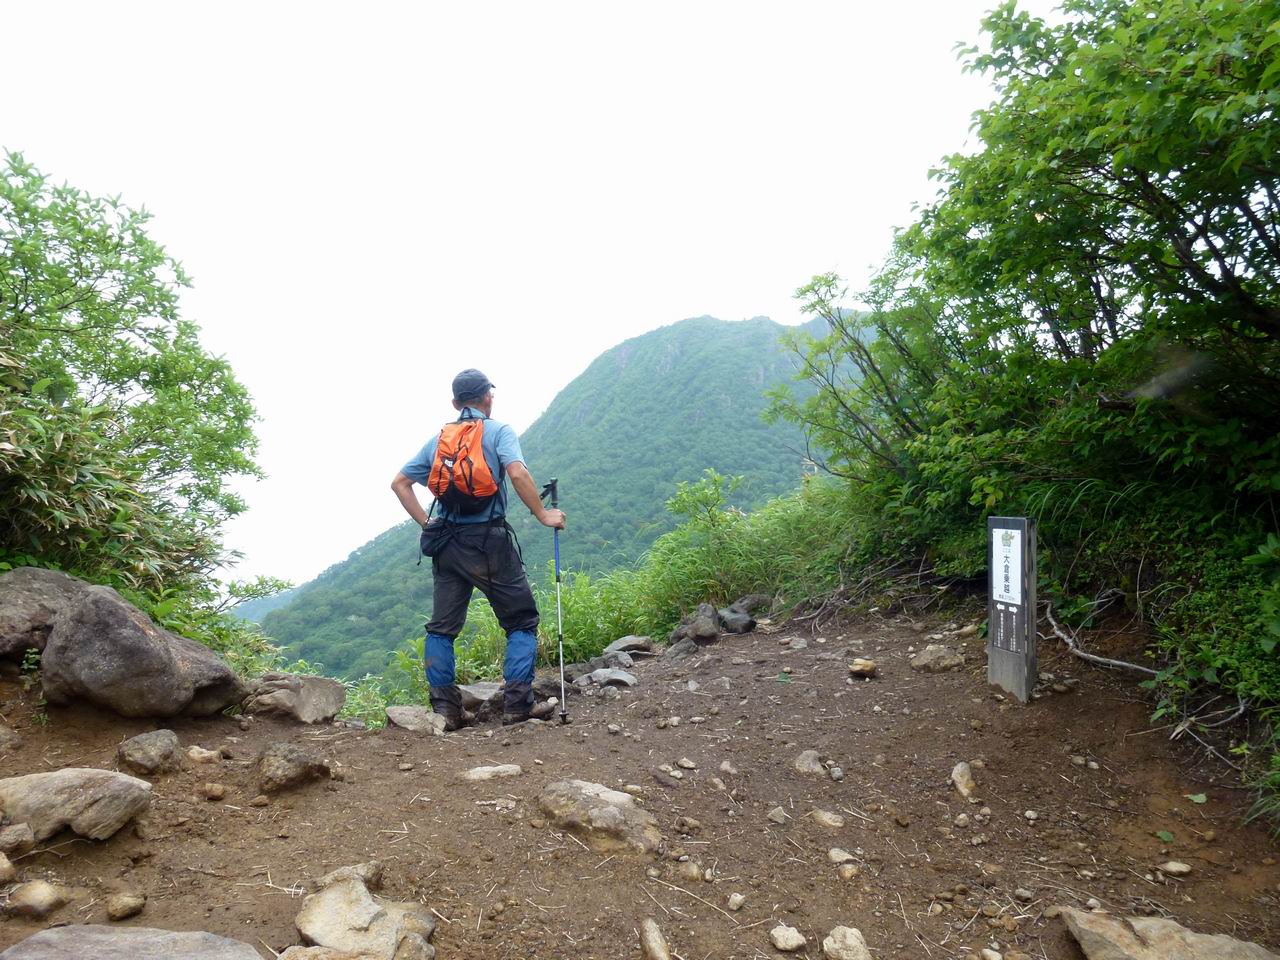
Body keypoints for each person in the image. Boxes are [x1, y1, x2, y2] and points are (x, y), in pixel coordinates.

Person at [390, 368, 565, 728]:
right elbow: (516, 473)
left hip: (447, 545)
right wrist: (543, 514)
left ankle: (447, 711)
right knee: (520, 620)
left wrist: (428, 523)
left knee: (441, 629)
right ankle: (518, 705)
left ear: (455, 403)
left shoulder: (439, 440)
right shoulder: (499, 431)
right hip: (489, 544)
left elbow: (400, 483)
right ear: (488, 397)